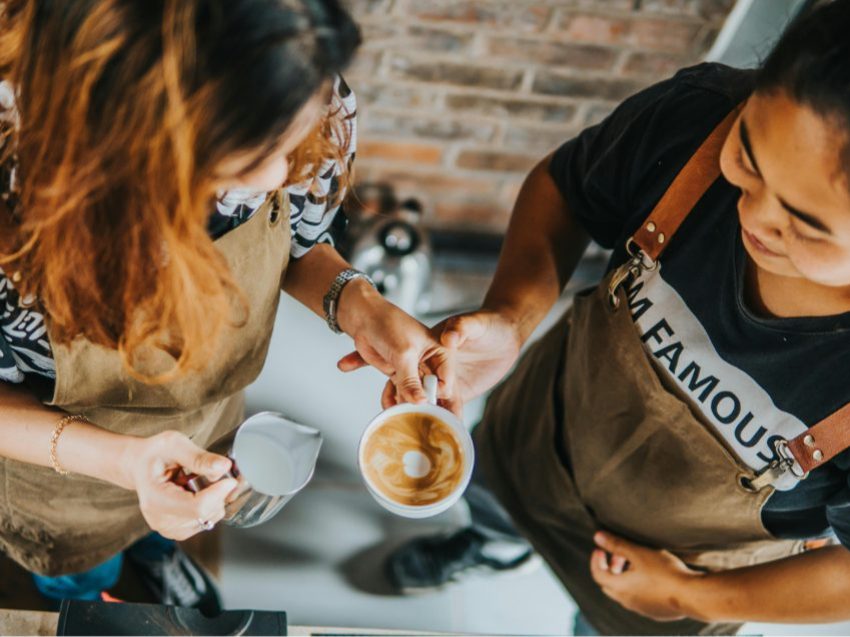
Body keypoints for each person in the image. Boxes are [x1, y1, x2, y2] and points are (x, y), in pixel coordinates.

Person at [381, 1, 850, 634]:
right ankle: (495, 544)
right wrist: (512, 315)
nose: (754, 216)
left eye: (806, 225)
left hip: (675, 572)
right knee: (494, 497)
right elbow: (564, 189)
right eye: (747, 158)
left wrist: (689, 596)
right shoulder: (698, 119)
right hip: (543, 432)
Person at [0, 0, 450, 610]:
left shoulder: (296, 79)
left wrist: (357, 300)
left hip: (208, 419)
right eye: (242, 157)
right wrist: (128, 463)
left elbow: (298, 241)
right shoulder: (13, 196)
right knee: (80, 572)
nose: (276, 177)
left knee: (170, 524)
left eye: (289, 143)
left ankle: (156, 555)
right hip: (61, 477)